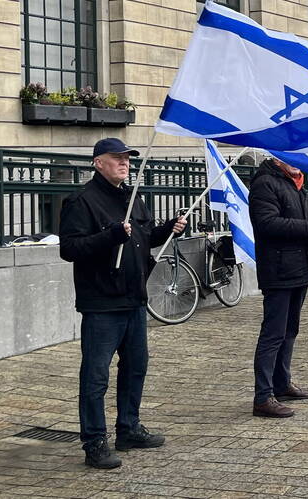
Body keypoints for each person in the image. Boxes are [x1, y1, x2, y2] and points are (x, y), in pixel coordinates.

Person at [59, 137, 186, 469]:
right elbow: (70, 249)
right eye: (117, 158)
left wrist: (168, 229)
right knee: (96, 375)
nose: (125, 163)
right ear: (98, 162)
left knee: (136, 368)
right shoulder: (81, 201)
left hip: (134, 300)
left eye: (127, 158)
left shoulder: (132, 198)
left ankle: (128, 429)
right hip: (102, 303)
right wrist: (110, 235)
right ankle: (95, 442)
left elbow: (142, 238)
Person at [249, 156, 308, 418]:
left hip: (298, 268)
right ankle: (263, 396)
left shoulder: (296, 184)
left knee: (290, 330)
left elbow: (298, 225)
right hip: (278, 269)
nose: (295, 160)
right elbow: (267, 223)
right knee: (273, 333)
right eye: (287, 154)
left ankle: (282, 384)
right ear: (274, 156)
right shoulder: (265, 184)